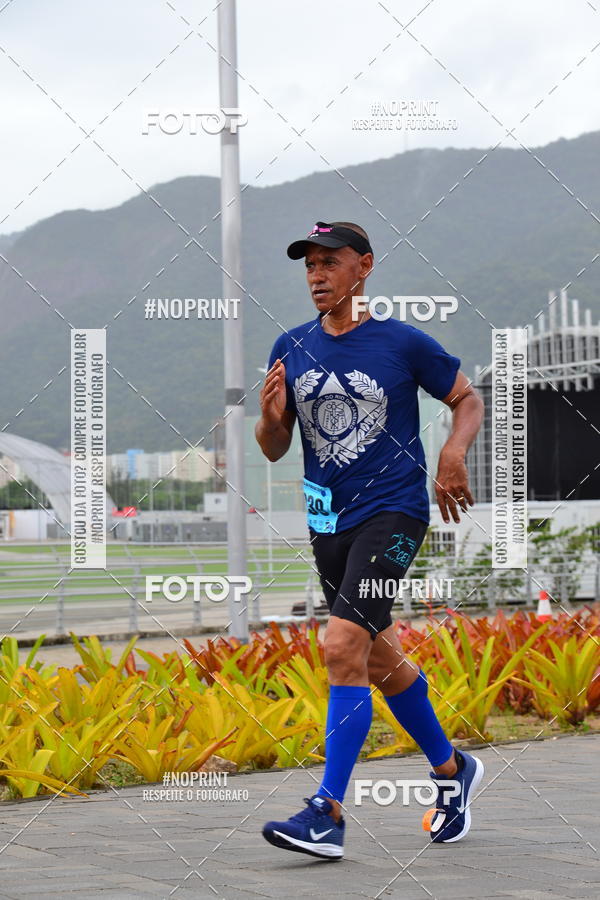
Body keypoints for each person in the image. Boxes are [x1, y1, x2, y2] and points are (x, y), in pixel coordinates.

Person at [255, 220, 485, 859]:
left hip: (395, 515)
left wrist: (453, 454)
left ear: (365, 266)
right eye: (309, 266)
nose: (317, 275)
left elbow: (467, 399)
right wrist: (271, 420)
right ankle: (451, 771)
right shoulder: (291, 346)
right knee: (376, 659)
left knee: (341, 644)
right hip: (328, 522)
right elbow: (274, 449)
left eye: (330, 262)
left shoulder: (403, 342)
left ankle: (326, 812)